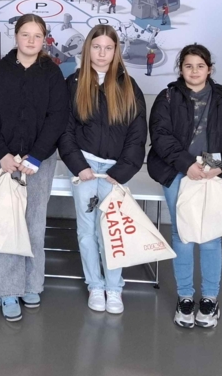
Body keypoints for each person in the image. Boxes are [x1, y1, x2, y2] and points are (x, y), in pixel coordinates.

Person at [148, 44, 222, 329]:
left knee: (210, 235)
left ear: (209, 69)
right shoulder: (167, 97)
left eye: (200, 66)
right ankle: (185, 297)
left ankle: (210, 299)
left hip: (210, 172)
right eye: (188, 66)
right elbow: (161, 134)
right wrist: (185, 164)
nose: (194, 71)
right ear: (181, 69)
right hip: (178, 171)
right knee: (182, 234)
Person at [0, 14, 69, 322]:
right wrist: (3, 154)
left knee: (33, 225)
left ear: (44, 39)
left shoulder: (52, 74)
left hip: (39, 163)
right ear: (15, 36)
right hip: (2, 160)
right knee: (5, 225)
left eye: (37, 36)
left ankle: (32, 284)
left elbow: (57, 118)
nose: (31, 41)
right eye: (25, 35)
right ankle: (7, 289)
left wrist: (36, 156)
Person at [59, 25, 146, 315]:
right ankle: (95, 286)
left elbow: (137, 134)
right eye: (97, 47)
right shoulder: (73, 83)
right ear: (88, 49)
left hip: (113, 172)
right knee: (86, 232)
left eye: (108, 48)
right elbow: (65, 131)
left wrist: (121, 172)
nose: (102, 53)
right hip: (84, 169)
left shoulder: (129, 86)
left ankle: (114, 288)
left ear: (115, 51)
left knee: (111, 231)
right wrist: (79, 166)